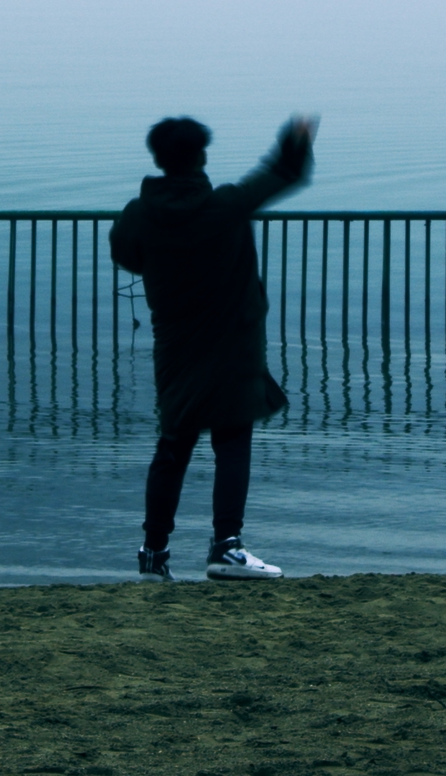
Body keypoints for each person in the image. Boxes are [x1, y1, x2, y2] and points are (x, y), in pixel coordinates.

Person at [109, 111, 316, 581]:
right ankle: (226, 547)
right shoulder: (225, 206)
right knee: (233, 440)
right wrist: (296, 138)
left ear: (158, 158)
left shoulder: (140, 214)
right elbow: (282, 173)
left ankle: (154, 555)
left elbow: (126, 253)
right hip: (231, 345)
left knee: (173, 446)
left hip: (176, 347)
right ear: (201, 156)